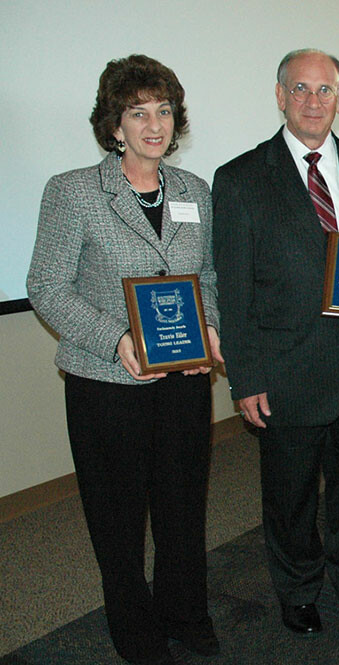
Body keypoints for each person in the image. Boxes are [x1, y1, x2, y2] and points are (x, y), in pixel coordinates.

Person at [26, 55, 222, 665]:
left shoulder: (195, 191)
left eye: (164, 111)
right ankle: (135, 631)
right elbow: (47, 286)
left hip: (184, 380)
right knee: (118, 519)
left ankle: (185, 611)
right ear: (114, 125)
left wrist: (209, 327)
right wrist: (117, 338)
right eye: (138, 113)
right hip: (106, 382)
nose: (154, 124)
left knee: (182, 505)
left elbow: (206, 275)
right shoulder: (73, 191)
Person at [212, 49, 339, 635]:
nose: (313, 101)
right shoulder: (240, 178)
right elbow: (234, 291)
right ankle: (297, 588)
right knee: (290, 495)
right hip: (286, 370)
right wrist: (245, 379)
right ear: (279, 96)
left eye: (325, 91)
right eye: (300, 89)